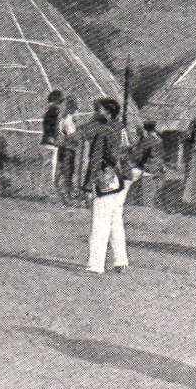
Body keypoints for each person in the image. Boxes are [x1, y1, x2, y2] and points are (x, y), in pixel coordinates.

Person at [66, 98, 134, 274]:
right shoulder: (121, 127)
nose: (96, 112)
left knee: (100, 221)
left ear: (108, 113)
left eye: (99, 110)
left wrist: (88, 186)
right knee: (115, 220)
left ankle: (96, 265)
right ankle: (121, 260)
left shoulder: (102, 131)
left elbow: (95, 161)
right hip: (123, 178)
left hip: (107, 178)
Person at [130, 120, 165, 208]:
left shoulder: (148, 140)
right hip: (159, 167)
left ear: (145, 129)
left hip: (149, 168)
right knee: (155, 193)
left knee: (147, 195)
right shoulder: (159, 139)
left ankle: (137, 204)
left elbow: (139, 156)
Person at [55, 94, 82, 202]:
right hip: (68, 149)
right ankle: (66, 195)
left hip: (63, 148)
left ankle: (60, 191)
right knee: (68, 172)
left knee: (61, 169)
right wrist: (79, 132)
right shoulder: (68, 120)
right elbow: (72, 136)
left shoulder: (63, 118)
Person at [40, 89, 64, 195]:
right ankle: (47, 190)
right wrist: (52, 138)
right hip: (50, 142)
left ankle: (45, 189)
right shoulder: (53, 111)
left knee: (49, 166)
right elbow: (49, 127)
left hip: (49, 141)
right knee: (50, 167)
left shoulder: (51, 111)